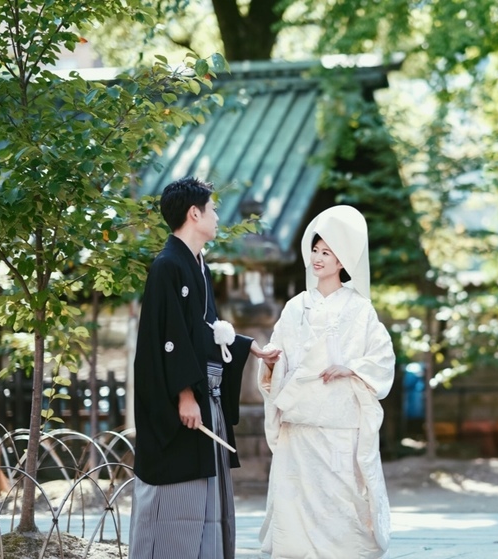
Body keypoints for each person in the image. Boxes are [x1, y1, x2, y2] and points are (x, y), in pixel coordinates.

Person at [129, 176, 265, 559]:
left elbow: (203, 332)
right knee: (175, 499)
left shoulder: (198, 266)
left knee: (206, 498)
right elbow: (166, 340)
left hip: (207, 397)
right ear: (194, 213)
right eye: (213, 208)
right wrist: (185, 394)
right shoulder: (167, 266)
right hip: (183, 405)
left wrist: (249, 347)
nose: (217, 216)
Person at [257, 205, 396, 559]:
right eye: (316, 250)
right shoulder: (295, 307)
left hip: (338, 424)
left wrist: (350, 367)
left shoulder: (360, 309)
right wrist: (274, 362)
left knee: (340, 502)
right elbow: (282, 353)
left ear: (342, 261)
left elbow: (382, 358)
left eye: (327, 253)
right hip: (298, 425)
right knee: (296, 502)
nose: (318, 258)